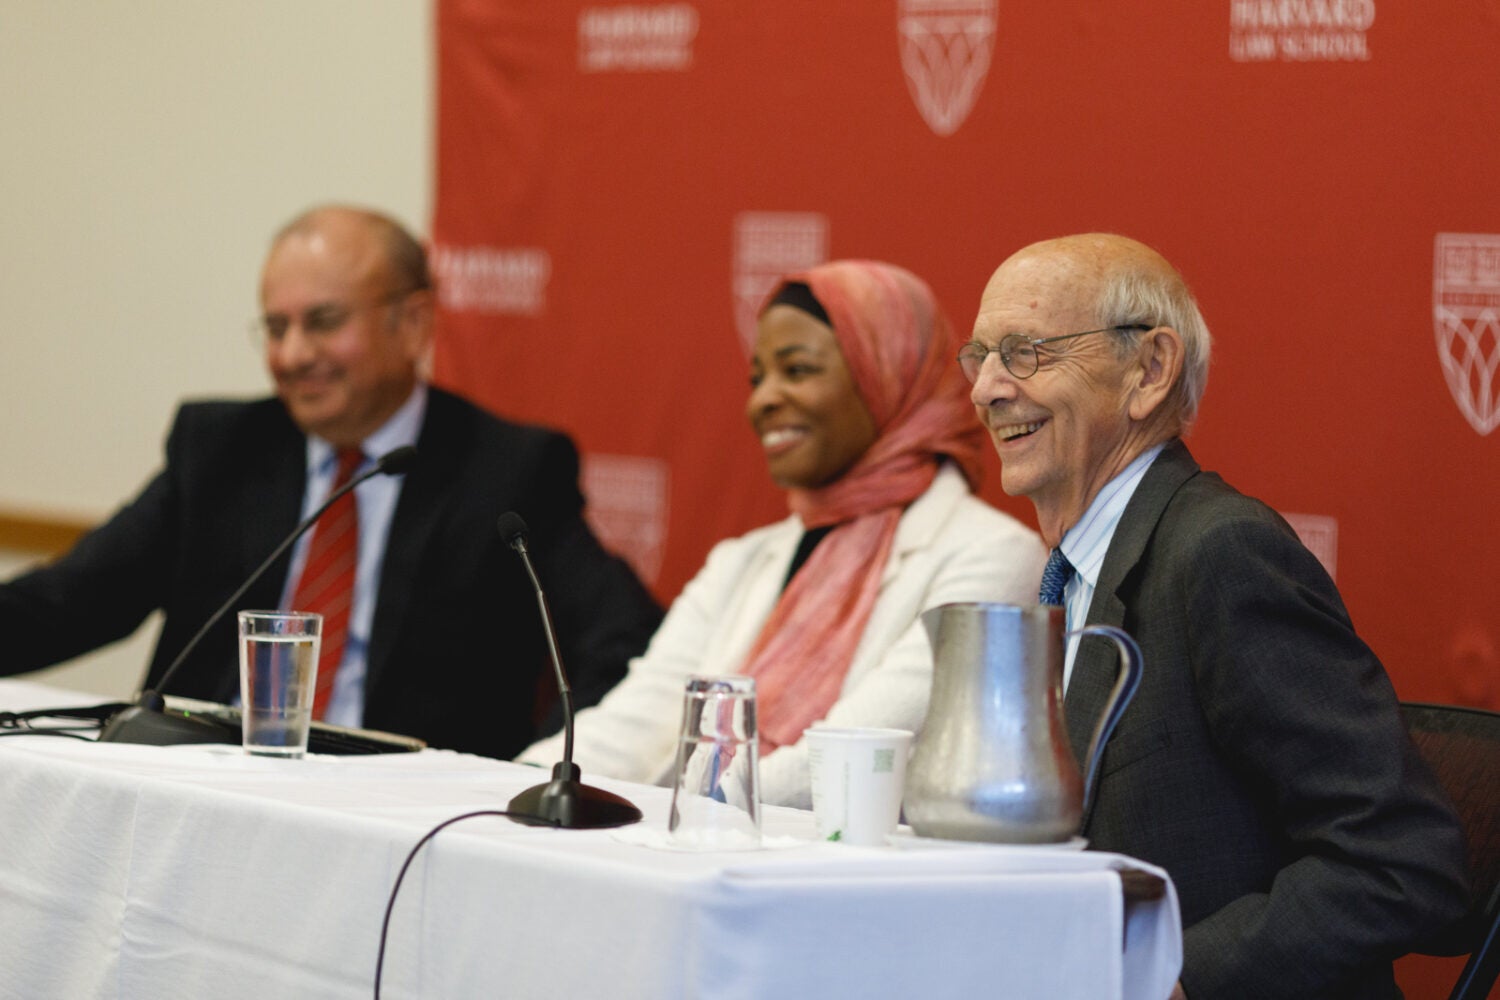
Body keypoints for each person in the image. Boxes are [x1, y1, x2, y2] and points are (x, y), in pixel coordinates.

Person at [962, 233, 1469, 998]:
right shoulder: (1077, 577)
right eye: (981, 356)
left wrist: (1173, 980)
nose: (986, 388)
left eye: (1025, 351)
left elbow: (1401, 860)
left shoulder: (1220, 553)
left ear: (1150, 370)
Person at [0, 205, 663, 759]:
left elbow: (624, 641)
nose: (291, 356)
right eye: (276, 327)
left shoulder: (506, 467)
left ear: (413, 324)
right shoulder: (224, 448)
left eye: (322, 323)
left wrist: (533, 773)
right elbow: (72, 600)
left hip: (398, 817)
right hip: (205, 780)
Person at [521, 259, 1047, 806]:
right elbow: (637, 721)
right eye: (757, 379)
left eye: (797, 371)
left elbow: (850, 758)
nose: (762, 400)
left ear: (889, 375)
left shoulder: (993, 558)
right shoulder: (743, 560)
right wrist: (516, 788)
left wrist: (687, 814)